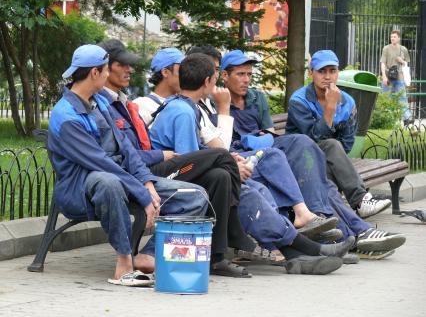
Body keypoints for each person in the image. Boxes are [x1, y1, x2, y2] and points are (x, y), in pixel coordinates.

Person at [149, 52, 360, 274]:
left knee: (256, 187)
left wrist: (228, 160)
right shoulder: (182, 111)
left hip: (191, 173)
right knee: (246, 192)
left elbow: (200, 155)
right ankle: (310, 250)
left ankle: (296, 256)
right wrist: (228, 164)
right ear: (207, 81)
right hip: (172, 181)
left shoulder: (188, 107)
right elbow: (189, 161)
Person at [219, 49, 406, 259]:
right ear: (224, 76)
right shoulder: (218, 101)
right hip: (254, 161)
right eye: (240, 75)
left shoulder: (257, 98)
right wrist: (225, 109)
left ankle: (351, 233)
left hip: (289, 155)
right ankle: (354, 234)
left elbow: (273, 134)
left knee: (316, 156)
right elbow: (222, 146)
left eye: (249, 74)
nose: (246, 80)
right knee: (317, 172)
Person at [48, 45, 208, 287]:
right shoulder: (66, 115)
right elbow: (99, 162)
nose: (107, 76)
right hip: (82, 188)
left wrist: (147, 182)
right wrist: (143, 195)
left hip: (124, 181)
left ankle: (149, 255)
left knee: (195, 196)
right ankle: (124, 262)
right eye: (105, 71)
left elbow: (128, 150)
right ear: (94, 73)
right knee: (107, 181)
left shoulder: (100, 103)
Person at [97, 39, 256, 278]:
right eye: (122, 65)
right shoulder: (169, 108)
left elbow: (134, 149)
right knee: (220, 159)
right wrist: (160, 155)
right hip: (150, 169)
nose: (129, 70)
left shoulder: (127, 101)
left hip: (151, 166)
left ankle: (218, 255)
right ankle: (233, 231)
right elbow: (121, 154)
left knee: (221, 173)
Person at [285, 49, 392, 219]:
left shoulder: (348, 102)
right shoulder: (299, 101)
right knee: (332, 145)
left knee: (332, 155)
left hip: (327, 161)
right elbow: (312, 141)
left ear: (338, 73)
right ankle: (359, 201)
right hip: (298, 158)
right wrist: (330, 109)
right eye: (322, 71)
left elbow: (347, 144)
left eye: (332, 71)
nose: (327, 77)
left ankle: (332, 218)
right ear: (311, 73)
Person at [380, 30, 411, 124]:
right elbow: (382, 63)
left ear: (398, 38)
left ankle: (407, 118)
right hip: (388, 76)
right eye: (391, 37)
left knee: (402, 97)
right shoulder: (386, 48)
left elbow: (407, 63)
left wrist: (402, 61)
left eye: (394, 37)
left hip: (399, 76)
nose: (392, 38)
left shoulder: (403, 49)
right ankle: (386, 119)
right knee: (386, 97)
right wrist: (384, 77)